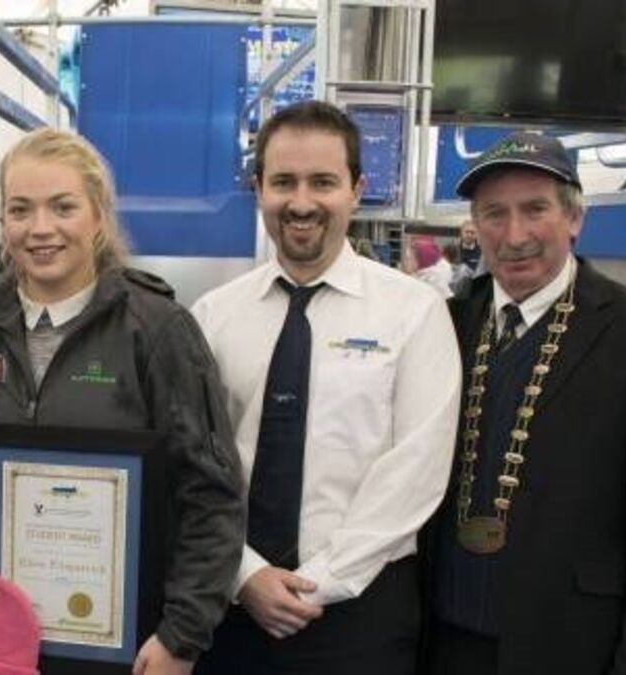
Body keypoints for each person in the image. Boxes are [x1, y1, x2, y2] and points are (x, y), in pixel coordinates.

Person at [0, 127, 244, 675]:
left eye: (63, 207)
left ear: (98, 215)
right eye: (20, 210)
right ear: (2, 221)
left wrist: (181, 636)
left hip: (125, 644)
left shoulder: (157, 331)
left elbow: (211, 494)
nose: (40, 228)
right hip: (3, 641)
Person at [190, 100, 461, 675]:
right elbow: (193, 461)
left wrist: (321, 581)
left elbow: (416, 469)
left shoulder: (414, 312)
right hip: (230, 606)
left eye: (323, 182)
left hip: (360, 613)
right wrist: (246, 575)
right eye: (283, 182)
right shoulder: (214, 316)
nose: (302, 202)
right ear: (259, 189)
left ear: (356, 190)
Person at [420, 132, 626, 674]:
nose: (514, 235)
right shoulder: (445, 324)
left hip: (570, 646)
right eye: (495, 213)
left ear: (575, 218)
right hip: (440, 641)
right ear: (474, 225)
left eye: (535, 209)